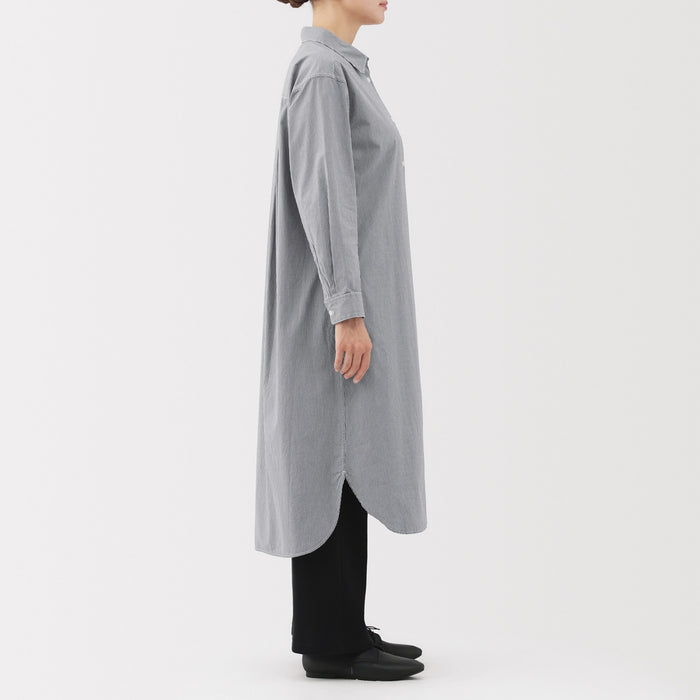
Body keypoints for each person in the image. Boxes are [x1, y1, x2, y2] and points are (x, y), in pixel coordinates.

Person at [255, 0, 428, 681]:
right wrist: (347, 309)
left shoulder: (340, 69)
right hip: (334, 308)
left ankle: (342, 625)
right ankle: (330, 642)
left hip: (348, 302)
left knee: (346, 455)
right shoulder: (323, 71)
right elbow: (326, 194)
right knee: (329, 454)